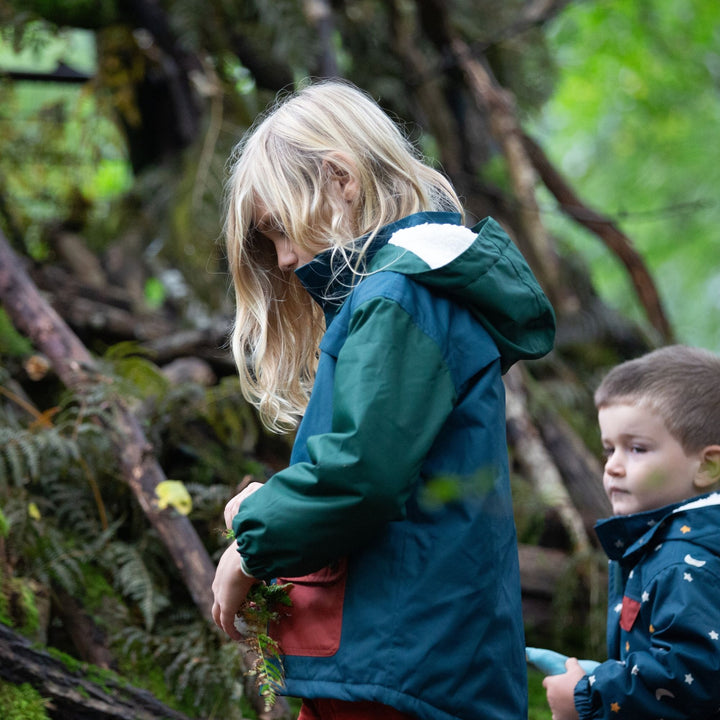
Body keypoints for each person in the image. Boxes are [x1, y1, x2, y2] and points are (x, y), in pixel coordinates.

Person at [210, 79, 556, 720]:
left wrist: (251, 546)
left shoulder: (398, 297)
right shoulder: (413, 292)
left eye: (280, 230)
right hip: (412, 659)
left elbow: (362, 476)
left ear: (341, 179)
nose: (284, 259)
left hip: (401, 668)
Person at [538, 345, 720, 720]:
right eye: (609, 449)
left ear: (707, 466)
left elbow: (694, 677)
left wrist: (588, 697)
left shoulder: (685, 561)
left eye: (637, 448)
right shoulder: (672, 543)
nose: (614, 468)